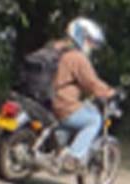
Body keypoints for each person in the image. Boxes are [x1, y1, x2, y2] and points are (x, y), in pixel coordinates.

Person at [51, 17, 115, 174]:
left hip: (44, 99)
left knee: (82, 109)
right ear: (81, 36)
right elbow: (91, 82)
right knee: (94, 119)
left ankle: (59, 146)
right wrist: (108, 92)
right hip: (62, 104)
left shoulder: (55, 47)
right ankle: (73, 157)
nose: (91, 46)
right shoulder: (77, 57)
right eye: (90, 41)